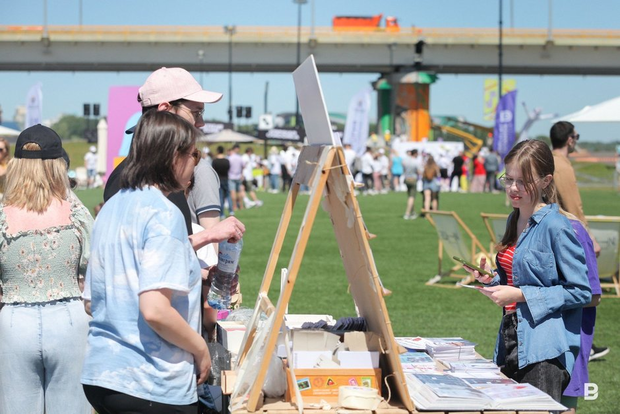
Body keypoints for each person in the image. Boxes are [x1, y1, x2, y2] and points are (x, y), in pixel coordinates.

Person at [81, 110, 245, 413]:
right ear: (173, 157)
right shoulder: (164, 212)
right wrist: (200, 348)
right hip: (150, 380)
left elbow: (92, 300)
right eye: (194, 154)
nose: (196, 163)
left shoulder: (111, 207)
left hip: (101, 374)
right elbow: (155, 310)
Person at [466, 139, 591, 402]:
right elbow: (518, 279)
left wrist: (521, 295)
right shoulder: (514, 218)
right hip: (510, 339)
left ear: (546, 181)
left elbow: (581, 292)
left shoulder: (556, 226)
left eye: (523, 181)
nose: (513, 188)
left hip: (544, 350)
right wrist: (491, 279)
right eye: (509, 179)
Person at [0, 124, 93, 414]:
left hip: (13, 320)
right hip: (69, 319)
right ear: (58, 164)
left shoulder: (2, 213)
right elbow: (93, 263)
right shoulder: (74, 211)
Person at [550, 121, 607, 360]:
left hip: (555, 232)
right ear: (570, 139)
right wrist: (590, 238)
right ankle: (582, 346)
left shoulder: (549, 161)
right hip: (569, 234)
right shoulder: (562, 166)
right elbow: (574, 207)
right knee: (582, 293)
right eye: (577, 136)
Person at [561, 217, 602, 413]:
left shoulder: (574, 229)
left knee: (564, 402)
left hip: (568, 335)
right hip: (522, 335)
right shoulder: (516, 222)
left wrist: (537, 299)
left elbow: (592, 295)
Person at [213, 145, 233, 217]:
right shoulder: (226, 161)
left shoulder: (215, 161)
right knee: (228, 195)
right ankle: (231, 211)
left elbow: (213, 171)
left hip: (218, 180)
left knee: (220, 196)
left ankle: (222, 213)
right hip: (226, 179)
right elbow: (228, 169)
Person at [402, 149, 422, 220]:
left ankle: (413, 212)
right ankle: (407, 213)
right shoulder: (416, 161)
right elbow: (419, 171)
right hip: (413, 179)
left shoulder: (406, 160)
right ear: (415, 154)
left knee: (410, 196)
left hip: (406, 179)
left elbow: (403, 167)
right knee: (412, 197)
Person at [228, 144, 244, 210]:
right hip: (238, 176)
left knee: (233, 192)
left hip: (231, 176)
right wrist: (242, 174)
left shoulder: (230, 158)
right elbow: (243, 166)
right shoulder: (240, 157)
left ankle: (234, 206)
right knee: (239, 192)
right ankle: (241, 205)